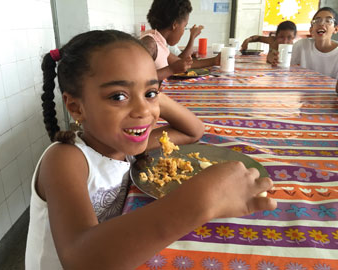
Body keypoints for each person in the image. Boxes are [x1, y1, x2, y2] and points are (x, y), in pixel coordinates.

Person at [25, 29, 277, 269]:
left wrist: (149, 95)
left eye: (151, 92)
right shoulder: (65, 159)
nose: (143, 111)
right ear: (76, 107)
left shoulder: (125, 146)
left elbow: (193, 132)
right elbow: (80, 260)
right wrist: (203, 198)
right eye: (118, 96)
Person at [140, 0, 221, 80]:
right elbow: (136, 77)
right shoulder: (149, 43)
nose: (183, 31)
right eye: (184, 27)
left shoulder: (160, 43)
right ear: (174, 25)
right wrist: (170, 69)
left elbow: (183, 63)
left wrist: (214, 61)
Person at [291, 7, 338, 93]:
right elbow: (285, 69)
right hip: (303, 98)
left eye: (328, 21)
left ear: (336, 29)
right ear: (311, 29)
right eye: (317, 21)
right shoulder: (301, 45)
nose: (322, 24)